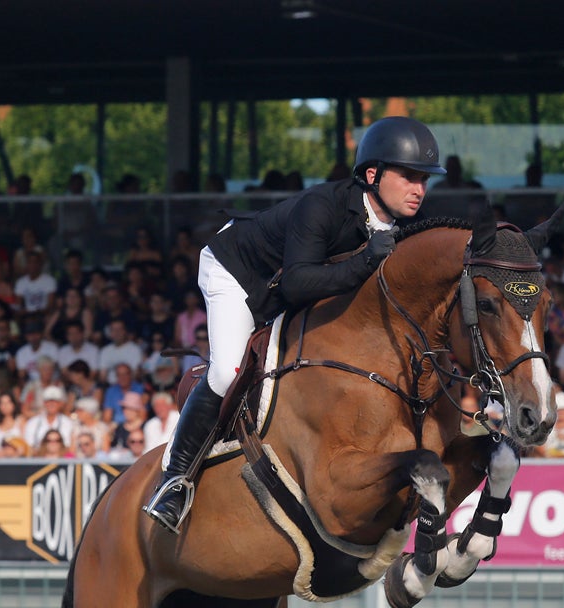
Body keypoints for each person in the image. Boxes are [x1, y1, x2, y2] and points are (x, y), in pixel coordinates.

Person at [144, 117, 447, 533]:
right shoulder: (321, 204)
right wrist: (366, 260)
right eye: (409, 176)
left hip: (286, 290)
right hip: (237, 274)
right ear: (372, 175)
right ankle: (174, 481)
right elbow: (298, 281)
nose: (419, 189)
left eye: (425, 180)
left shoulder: (398, 225)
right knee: (228, 369)